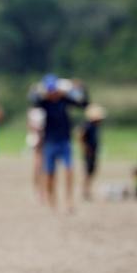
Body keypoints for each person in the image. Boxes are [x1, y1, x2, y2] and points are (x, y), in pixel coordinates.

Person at [30, 74, 89, 213]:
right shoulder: (44, 102)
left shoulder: (64, 99)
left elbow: (84, 103)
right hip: (49, 141)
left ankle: (69, 200)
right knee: (50, 174)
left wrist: (80, 88)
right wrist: (37, 90)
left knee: (69, 170)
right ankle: (52, 200)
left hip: (65, 141)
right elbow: (33, 100)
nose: (52, 92)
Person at [78, 104, 106, 201]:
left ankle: (87, 190)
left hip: (93, 152)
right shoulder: (88, 125)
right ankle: (85, 191)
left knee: (91, 171)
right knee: (88, 172)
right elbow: (80, 136)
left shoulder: (94, 126)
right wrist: (85, 149)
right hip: (89, 152)